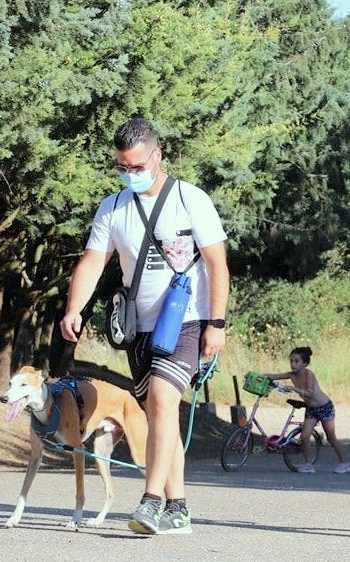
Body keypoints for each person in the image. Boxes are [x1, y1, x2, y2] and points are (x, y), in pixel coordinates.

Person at [59, 118, 230, 535]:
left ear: (158, 155)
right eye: (123, 167)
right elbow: (94, 261)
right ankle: (178, 506)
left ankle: (151, 502)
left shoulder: (191, 201)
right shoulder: (113, 208)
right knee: (158, 414)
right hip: (140, 328)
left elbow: (217, 264)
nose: (130, 174)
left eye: (137, 166)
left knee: (161, 399)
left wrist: (217, 323)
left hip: (187, 319)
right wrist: (73, 309)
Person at [265, 346, 350, 474]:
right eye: (291, 361)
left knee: (331, 437)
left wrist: (293, 389)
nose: (293, 364)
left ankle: (345, 463)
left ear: (304, 363)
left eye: (296, 361)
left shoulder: (308, 374)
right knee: (304, 437)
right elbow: (273, 376)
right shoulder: (291, 375)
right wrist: (257, 376)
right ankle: (309, 464)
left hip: (325, 407)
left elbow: (309, 393)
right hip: (311, 409)